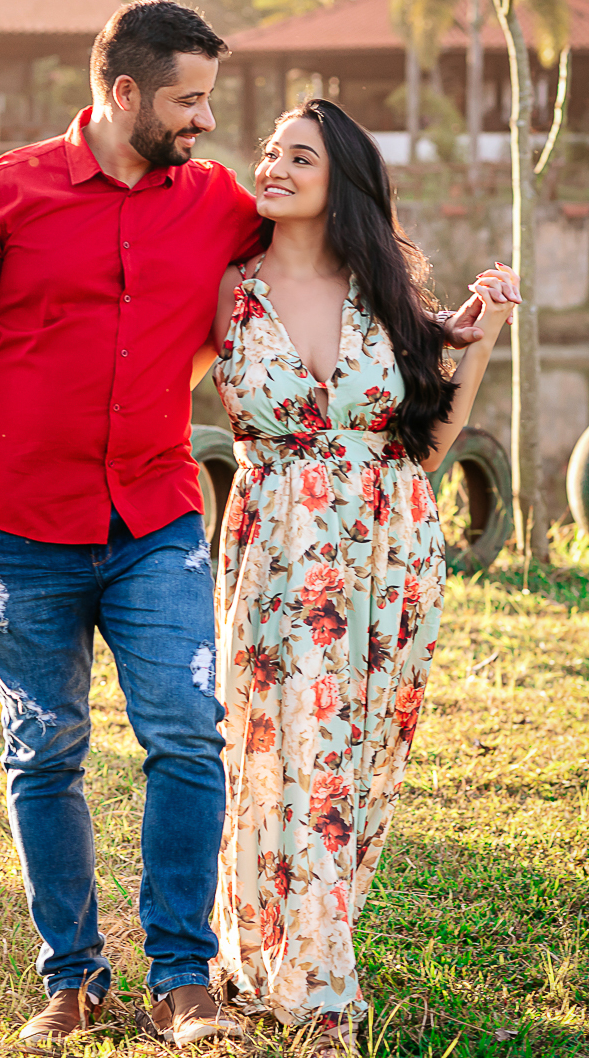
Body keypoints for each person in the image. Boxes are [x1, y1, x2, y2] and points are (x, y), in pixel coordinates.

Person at [0, 0, 513, 1051]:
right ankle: (72, 978)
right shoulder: (7, 190)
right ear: (125, 91)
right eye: (189, 101)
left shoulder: (218, 200)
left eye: (212, 101)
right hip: (17, 519)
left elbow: (330, 259)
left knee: (187, 733)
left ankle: (184, 978)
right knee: (43, 750)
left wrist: (445, 329)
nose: (207, 122)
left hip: (154, 517)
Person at [197, 99, 517, 1056]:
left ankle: (307, 947)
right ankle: (303, 977)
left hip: (389, 550)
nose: (273, 166)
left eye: (299, 156)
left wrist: (482, 337)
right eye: (268, 152)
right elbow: (143, 381)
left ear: (343, 178)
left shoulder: (385, 292)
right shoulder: (226, 287)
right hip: (275, 549)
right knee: (277, 749)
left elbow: (428, 443)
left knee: (355, 756)